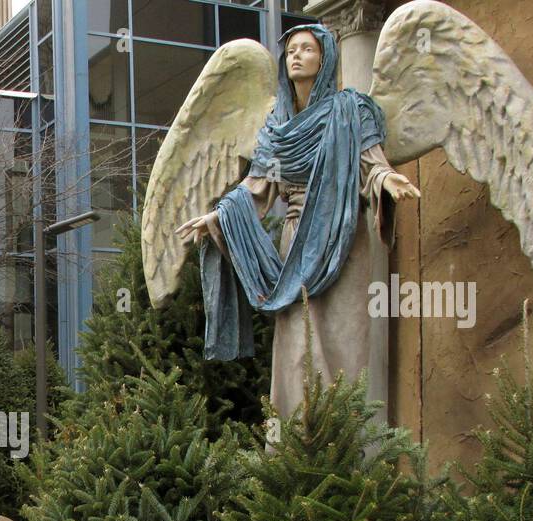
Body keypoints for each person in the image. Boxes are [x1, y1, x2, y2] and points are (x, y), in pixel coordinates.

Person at [176, 24, 420, 418]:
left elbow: (370, 163)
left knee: (344, 338)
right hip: (294, 246)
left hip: (342, 240)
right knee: (295, 346)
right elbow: (256, 187)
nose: (296, 55)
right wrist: (218, 216)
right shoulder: (277, 128)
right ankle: (295, 441)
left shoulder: (350, 110)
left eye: (307, 49)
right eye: (291, 50)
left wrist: (386, 178)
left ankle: (347, 439)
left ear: (324, 59)